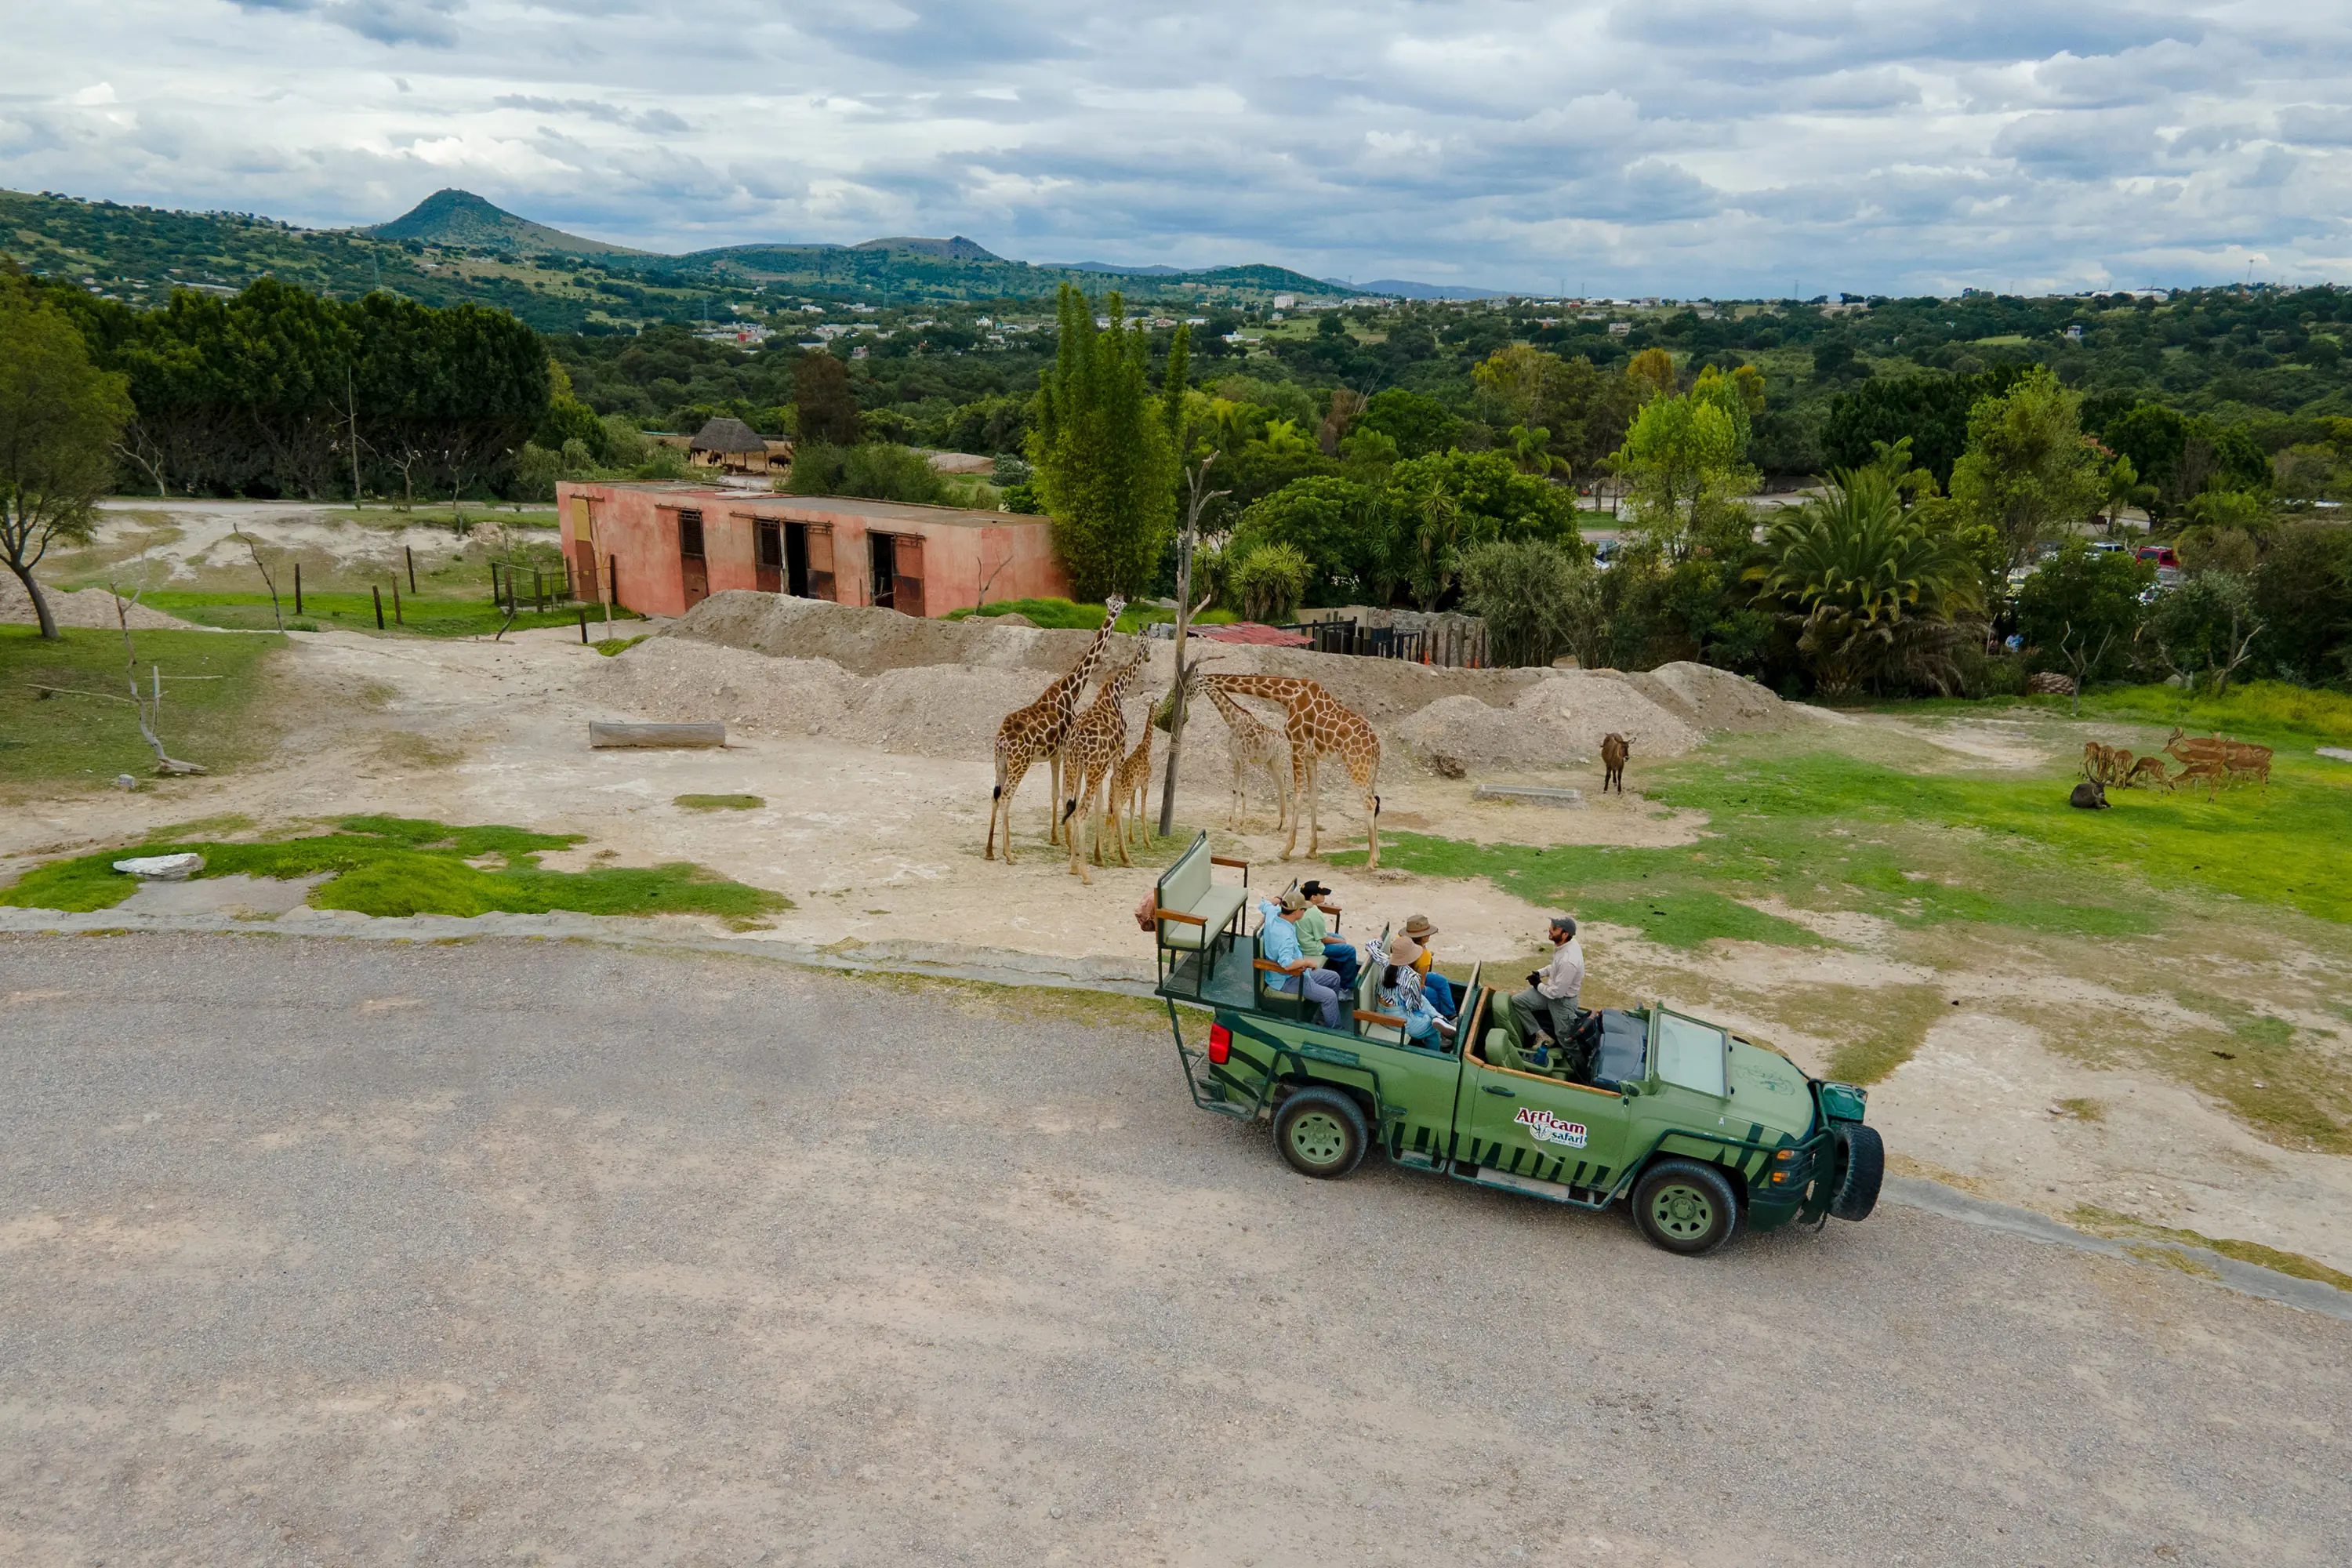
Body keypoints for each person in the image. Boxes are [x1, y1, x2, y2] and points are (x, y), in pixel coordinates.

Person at [1258, 888, 1345, 1029]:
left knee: (1334, 978)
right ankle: (1336, 1031)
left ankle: (1324, 1019)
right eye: (1304, 909)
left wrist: (1277, 899)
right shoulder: (1285, 936)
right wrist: (1307, 962)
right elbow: (1286, 964)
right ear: (1297, 912)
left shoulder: (1274, 913)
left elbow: (1263, 904)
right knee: (1329, 996)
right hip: (1288, 978)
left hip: (1298, 973)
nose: (1305, 912)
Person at [1510, 914, 1583, 1052]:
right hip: (1550, 993)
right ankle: (1542, 1036)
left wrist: (1537, 985)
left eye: (1554, 928)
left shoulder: (1569, 961)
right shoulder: (1565, 945)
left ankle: (1581, 1070)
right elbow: (1555, 967)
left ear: (1565, 934)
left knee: (1567, 1041)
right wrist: (1540, 973)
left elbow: (1557, 993)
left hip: (1562, 1002)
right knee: (1518, 1001)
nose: (1550, 929)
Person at [1373, 935, 1454, 1047]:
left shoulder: (1384, 961)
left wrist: (1378, 940)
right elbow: (1415, 1006)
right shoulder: (1413, 977)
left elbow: (1370, 946)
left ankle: (1438, 1017)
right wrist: (1426, 1014)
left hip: (1380, 1011)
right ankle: (1438, 1021)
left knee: (1423, 1000)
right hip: (1398, 1021)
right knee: (1433, 1028)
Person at [1298, 880, 1358, 992]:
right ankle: (1345, 989)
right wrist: (1341, 942)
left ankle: (1338, 971)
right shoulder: (1315, 913)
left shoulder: (1299, 906)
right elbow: (1324, 939)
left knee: (1338, 937)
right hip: (1312, 948)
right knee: (1350, 951)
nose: (1324, 896)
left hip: (1305, 939)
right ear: (1313, 897)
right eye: (1321, 894)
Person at [1398, 914, 1456, 1018]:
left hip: (1405, 976)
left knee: (1440, 981)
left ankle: (1450, 1015)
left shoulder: (1399, 940)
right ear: (1423, 936)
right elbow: (1421, 984)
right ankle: (1439, 1020)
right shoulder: (1425, 955)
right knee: (1434, 995)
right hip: (1409, 986)